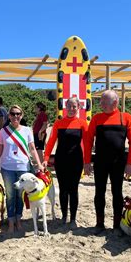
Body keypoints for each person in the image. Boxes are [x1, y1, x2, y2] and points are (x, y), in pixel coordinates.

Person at [84, 90, 131, 233]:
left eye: (104, 102)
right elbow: (88, 140)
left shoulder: (125, 118)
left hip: (118, 162)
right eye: (101, 101)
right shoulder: (96, 118)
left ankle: (116, 225)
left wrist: (130, 164)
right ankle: (99, 223)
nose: (101, 104)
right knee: (99, 192)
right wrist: (87, 162)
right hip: (100, 161)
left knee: (117, 192)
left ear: (115, 103)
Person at [0, 105, 43, 234]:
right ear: (9, 116)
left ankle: (18, 219)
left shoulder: (27, 130)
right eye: (13, 114)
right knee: (10, 195)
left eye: (18, 114)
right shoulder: (3, 131)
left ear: (22, 115)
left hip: (23, 167)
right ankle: (11, 221)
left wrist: (39, 164)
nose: (15, 116)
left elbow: (32, 149)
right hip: (7, 168)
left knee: (20, 195)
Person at [42, 97, 87, 227]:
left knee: (73, 190)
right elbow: (51, 142)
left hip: (76, 161)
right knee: (63, 190)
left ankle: (73, 218)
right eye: (69, 106)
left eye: (74, 106)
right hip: (61, 160)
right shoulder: (58, 123)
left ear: (78, 107)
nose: (72, 109)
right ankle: (64, 216)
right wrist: (46, 159)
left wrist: (87, 161)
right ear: (65, 107)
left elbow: (88, 144)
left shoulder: (82, 123)